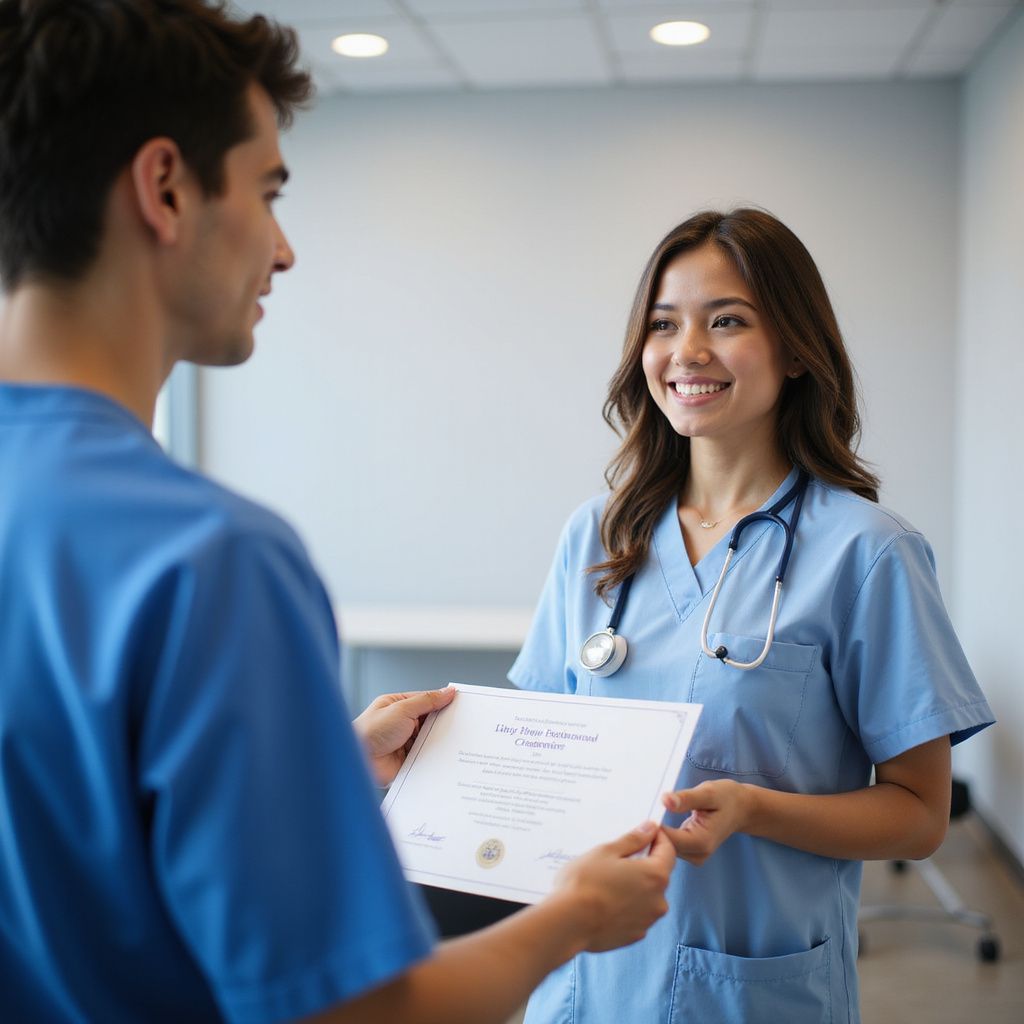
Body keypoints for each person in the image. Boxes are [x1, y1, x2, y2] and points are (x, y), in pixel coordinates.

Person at [0, 3, 676, 1022]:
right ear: (166, 188)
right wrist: (573, 916)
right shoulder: (207, 561)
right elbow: (357, 1011)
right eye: (268, 193)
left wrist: (320, 763)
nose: (282, 251)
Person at [509, 208, 995, 1023]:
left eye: (726, 320)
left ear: (797, 348)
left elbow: (919, 816)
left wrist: (755, 809)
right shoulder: (598, 534)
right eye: (664, 325)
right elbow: (542, 742)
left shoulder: (867, 553)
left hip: (750, 990)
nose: (687, 351)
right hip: (587, 980)